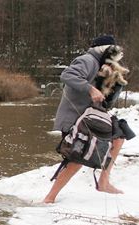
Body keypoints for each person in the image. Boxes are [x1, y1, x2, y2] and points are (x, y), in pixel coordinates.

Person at [43, 35, 129, 204]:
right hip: (74, 118)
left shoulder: (104, 66)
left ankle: (103, 182)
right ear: (104, 50)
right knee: (77, 158)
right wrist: (90, 89)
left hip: (92, 116)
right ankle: (49, 197)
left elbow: (104, 95)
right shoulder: (87, 60)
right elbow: (67, 75)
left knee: (119, 136)